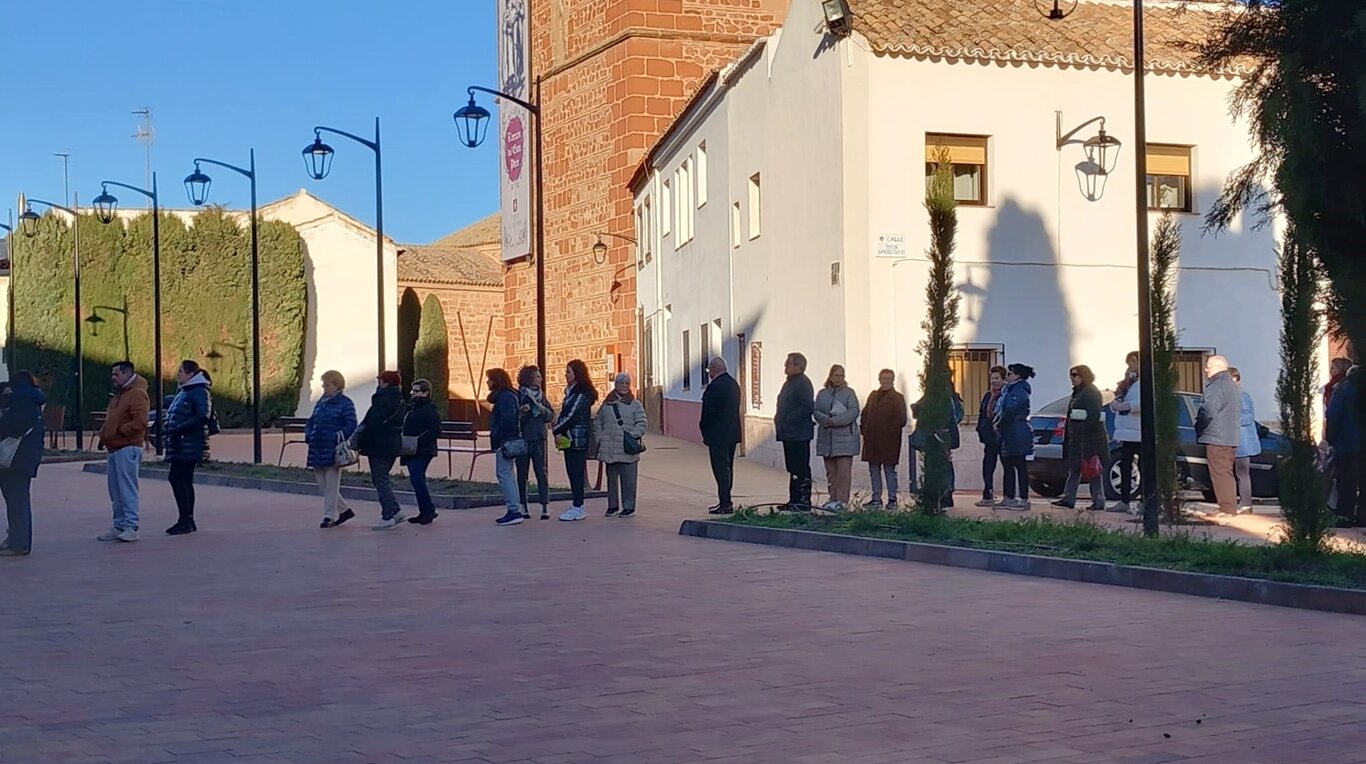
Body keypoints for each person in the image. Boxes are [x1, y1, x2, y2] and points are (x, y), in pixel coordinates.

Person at [97, 361, 150, 543]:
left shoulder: (137, 394)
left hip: (127, 446)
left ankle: (131, 526)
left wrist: (119, 431)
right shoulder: (120, 395)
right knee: (115, 490)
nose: (113, 377)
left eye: (117, 374)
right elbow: (112, 418)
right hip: (114, 446)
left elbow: (140, 422)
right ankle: (119, 525)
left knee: (126, 488)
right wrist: (105, 435)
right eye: (112, 374)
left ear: (128, 374)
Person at [164, 360, 212, 536]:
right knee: (179, 479)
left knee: (181, 479)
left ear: (191, 374)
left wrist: (179, 428)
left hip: (189, 443)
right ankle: (186, 519)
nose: (178, 374)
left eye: (181, 371)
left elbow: (203, 415)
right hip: (181, 444)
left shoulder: (199, 390)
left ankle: (186, 520)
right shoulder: (185, 390)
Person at [305, 370, 358, 529]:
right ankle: (345, 510)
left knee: (331, 484)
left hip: (332, 448)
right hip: (316, 446)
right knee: (323, 484)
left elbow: (351, 424)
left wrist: (337, 436)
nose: (324, 388)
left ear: (337, 386)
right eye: (324, 385)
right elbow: (312, 421)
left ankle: (328, 516)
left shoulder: (345, 403)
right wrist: (309, 434)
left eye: (327, 385)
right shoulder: (321, 402)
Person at [0, 373, 45, 557]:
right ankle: (15, 538)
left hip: (16, 460)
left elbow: (9, 426)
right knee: (17, 501)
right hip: (24, 459)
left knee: (17, 502)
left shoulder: (21, 402)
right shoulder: (32, 400)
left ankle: (19, 543)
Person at [356, 370, 407, 530]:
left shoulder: (382, 400)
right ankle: (396, 511)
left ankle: (388, 515)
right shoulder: (400, 400)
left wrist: (360, 441)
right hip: (393, 444)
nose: (379, 384)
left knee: (380, 480)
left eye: (381, 381)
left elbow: (372, 423)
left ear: (385, 383)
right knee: (382, 478)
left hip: (378, 445)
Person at [1054, 365, 1108, 511]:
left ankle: (1098, 500)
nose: (1072, 378)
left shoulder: (1090, 392)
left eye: (1075, 375)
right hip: (1077, 440)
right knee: (1075, 469)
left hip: (1089, 439)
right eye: (1071, 375)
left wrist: (1081, 429)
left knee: (1092, 469)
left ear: (1084, 375)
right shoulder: (1078, 392)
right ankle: (1068, 498)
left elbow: (1094, 415)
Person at [595, 373, 648, 518]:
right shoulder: (607, 404)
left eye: (627, 383)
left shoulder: (635, 404)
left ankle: (628, 507)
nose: (624, 386)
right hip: (610, 449)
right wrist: (599, 438)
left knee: (629, 481)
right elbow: (598, 422)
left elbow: (642, 423)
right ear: (616, 385)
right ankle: (612, 506)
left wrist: (632, 435)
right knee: (611, 480)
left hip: (627, 449)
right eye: (621, 383)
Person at [553, 359, 598, 522]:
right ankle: (576, 504)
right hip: (569, 439)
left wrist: (556, 429)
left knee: (577, 472)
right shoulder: (570, 393)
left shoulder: (582, 394)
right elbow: (563, 414)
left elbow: (572, 415)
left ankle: (578, 506)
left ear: (577, 373)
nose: (566, 375)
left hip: (578, 439)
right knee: (571, 472)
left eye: (569, 372)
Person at [1196, 355, 1240, 516]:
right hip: (1230, 436)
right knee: (1225, 472)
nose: (1206, 369)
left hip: (1217, 436)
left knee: (1220, 473)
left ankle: (1227, 508)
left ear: (1217, 367)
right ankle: (1228, 506)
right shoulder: (1231, 385)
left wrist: (1199, 426)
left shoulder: (1217, 385)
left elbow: (1208, 410)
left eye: (1208, 366)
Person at [910, 382, 966, 510]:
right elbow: (916, 412)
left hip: (943, 436)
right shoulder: (931, 397)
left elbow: (955, 417)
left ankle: (946, 494)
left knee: (944, 465)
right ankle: (939, 495)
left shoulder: (950, 400)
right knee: (935, 465)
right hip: (934, 436)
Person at [813, 364, 861, 510]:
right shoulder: (822, 393)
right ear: (830, 376)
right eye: (836, 375)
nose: (839, 378)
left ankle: (842, 500)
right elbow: (816, 410)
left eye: (841, 376)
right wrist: (825, 420)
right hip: (827, 439)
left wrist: (836, 421)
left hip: (845, 438)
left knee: (843, 473)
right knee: (831, 473)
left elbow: (854, 411)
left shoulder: (849, 393)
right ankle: (832, 498)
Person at [700, 357, 742, 515]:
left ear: (714, 369)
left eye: (709, 370)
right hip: (732, 434)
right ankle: (726, 501)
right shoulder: (733, 384)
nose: (709, 373)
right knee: (728, 468)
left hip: (718, 435)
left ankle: (725, 503)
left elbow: (708, 413)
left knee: (720, 470)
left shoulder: (715, 387)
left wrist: (704, 430)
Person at [861, 369, 907, 509]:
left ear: (892, 380)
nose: (885, 381)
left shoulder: (898, 398)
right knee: (874, 470)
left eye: (888, 379)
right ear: (879, 379)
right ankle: (876, 498)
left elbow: (902, 419)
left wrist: (887, 430)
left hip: (889, 442)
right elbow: (865, 414)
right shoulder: (873, 396)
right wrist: (864, 430)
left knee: (889, 470)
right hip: (872, 440)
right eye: (883, 378)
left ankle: (892, 499)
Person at [775, 352, 815, 509]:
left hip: (799, 433)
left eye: (788, 364)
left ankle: (803, 501)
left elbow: (807, 406)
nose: (785, 366)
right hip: (789, 433)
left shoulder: (803, 383)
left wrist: (789, 418)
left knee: (800, 467)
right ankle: (793, 500)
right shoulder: (790, 382)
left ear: (798, 366)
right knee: (792, 468)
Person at [1325, 363, 1363, 527]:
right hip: (1355, 442)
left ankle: (1345, 516)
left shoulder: (1344, 389)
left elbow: (1333, 415)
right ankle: (1363, 517)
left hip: (1347, 444)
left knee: (1347, 482)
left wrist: (1331, 439)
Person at [402, 378, 443, 525]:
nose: (413, 393)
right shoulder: (412, 407)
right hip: (410, 449)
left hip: (423, 449)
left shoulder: (429, 408)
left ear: (426, 393)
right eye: (412, 390)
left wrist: (419, 441)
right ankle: (424, 511)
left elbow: (435, 430)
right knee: (416, 479)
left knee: (417, 478)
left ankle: (428, 511)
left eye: (417, 391)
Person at [516, 365, 555, 520]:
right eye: (537, 376)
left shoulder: (541, 396)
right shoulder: (520, 395)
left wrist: (541, 409)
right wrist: (522, 412)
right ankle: (523, 505)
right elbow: (515, 416)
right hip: (523, 438)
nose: (541, 379)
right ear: (529, 378)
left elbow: (551, 415)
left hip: (539, 438)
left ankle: (544, 505)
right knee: (522, 473)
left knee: (541, 471)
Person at [994, 363, 1035, 510]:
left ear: (1017, 375)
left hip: (1017, 433)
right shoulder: (1010, 390)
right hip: (1009, 433)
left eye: (1009, 374)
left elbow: (1011, 410)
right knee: (1008, 466)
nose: (1007, 377)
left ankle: (1023, 498)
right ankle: (1009, 497)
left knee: (1019, 466)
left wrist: (999, 424)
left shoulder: (1019, 390)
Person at [489, 369, 527, 526]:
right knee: (508, 474)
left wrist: (497, 434)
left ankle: (514, 510)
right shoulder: (509, 395)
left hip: (505, 441)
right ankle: (514, 508)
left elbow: (508, 418)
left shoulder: (504, 396)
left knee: (504, 474)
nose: (488, 382)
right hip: (507, 440)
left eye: (490, 379)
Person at [1109, 352, 1142, 514]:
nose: (1130, 366)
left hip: (1139, 431)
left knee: (1143, 467)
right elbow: (1119, 396)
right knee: (1125, 466)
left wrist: (1128, 406)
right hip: (1126, 431)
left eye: (1133, 362)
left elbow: (1144, 402)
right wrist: (1116, 403)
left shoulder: (1146, 381)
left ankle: (1145, 501)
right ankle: (1124, 500)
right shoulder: (1127, 382)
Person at [1228, 367, 1261, 514]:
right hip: (1235, 439)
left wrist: (1231, 421)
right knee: (1236, 473)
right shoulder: (1232, 396)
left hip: (1243, 441)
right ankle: (1240, 502)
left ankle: (1246, 504)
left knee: (1242, 473)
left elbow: (1248, 416)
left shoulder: (1243, 396)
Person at [974, 366, 1008, 507]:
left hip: (1003, 437)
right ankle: (987, 494)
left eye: (997, 378)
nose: (994, 381)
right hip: (989, 437)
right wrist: (980, 429)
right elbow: (982, 414)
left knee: (1007, 466)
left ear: (1004, 379)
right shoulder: (988, 396)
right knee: (988, 466)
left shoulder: (1006, 395)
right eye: (992, 378)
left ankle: (1008, 496)